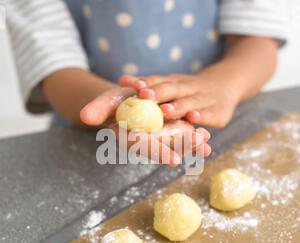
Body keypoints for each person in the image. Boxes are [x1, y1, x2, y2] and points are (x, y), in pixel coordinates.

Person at [7, 0, 288, 165]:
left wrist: (225, 84)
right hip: (91, 144)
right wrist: (110, 106)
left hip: (217, 134)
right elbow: (51, 62)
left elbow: (257, 39)